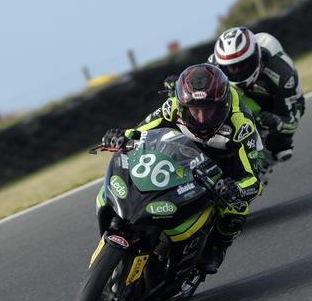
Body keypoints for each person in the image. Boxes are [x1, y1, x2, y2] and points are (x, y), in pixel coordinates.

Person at [101, 63, 263, 274]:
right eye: (195, 111)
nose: (202, 118)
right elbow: (139, 131)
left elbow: (253, 180)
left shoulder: (241, 125)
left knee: (236, 206)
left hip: (227, 160)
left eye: (209, 110)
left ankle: (218, 246)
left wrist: (237, 189)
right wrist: (121, 136)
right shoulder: (173, 107)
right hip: (186, 149)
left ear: (222, 105)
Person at [208, 26, 305, 176]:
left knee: (281, 147)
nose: (237, 71)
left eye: (242, 65)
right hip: (240, 97)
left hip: (278, 101)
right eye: (230, 68)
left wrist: (277, 121)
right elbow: (199, 85)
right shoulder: (214, 64)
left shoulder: (281, 73)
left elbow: (292, 120)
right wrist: (177, 86)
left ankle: (263, 162)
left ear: (256, 57)